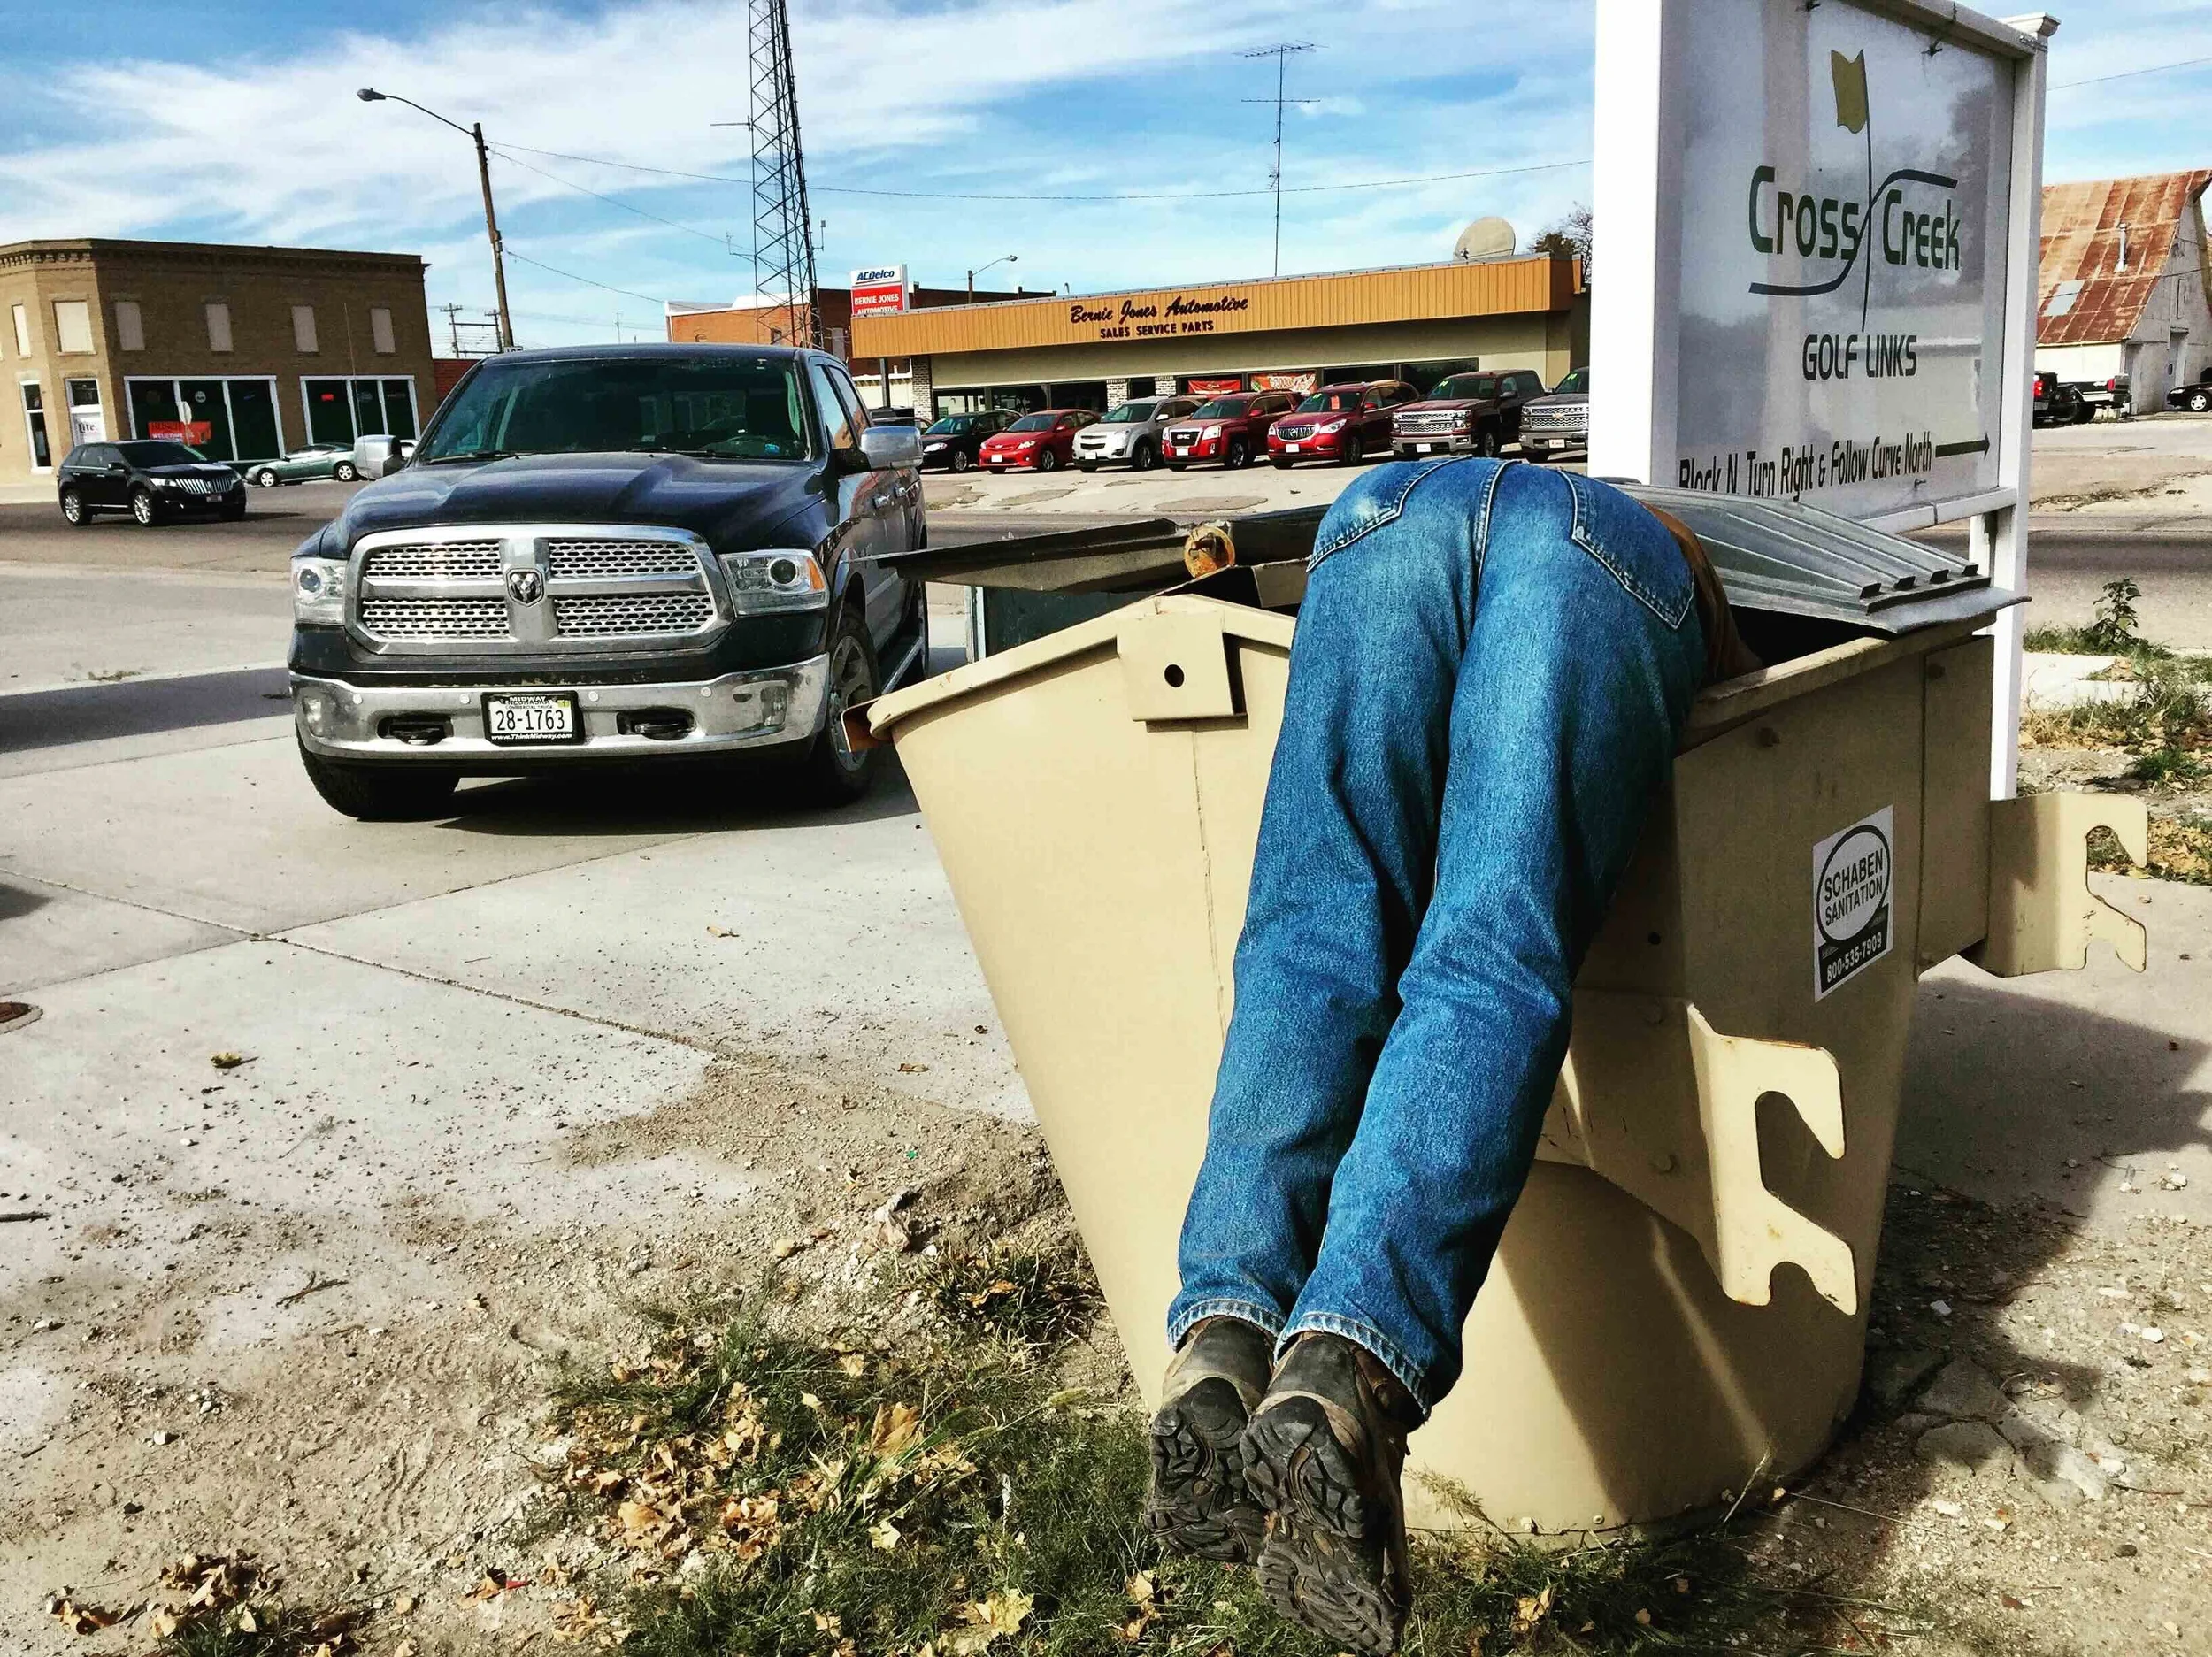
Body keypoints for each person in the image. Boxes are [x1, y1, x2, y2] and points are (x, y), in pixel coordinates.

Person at [1144, 456, 1757, 1653]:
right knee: (1485, 959)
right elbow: (1738, 695)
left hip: (1384, 513)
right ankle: (1347, 1366)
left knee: (1309, 940)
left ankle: (1224, 1333)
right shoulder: (1670, 545)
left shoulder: (1480, 488)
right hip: (1604, 562)